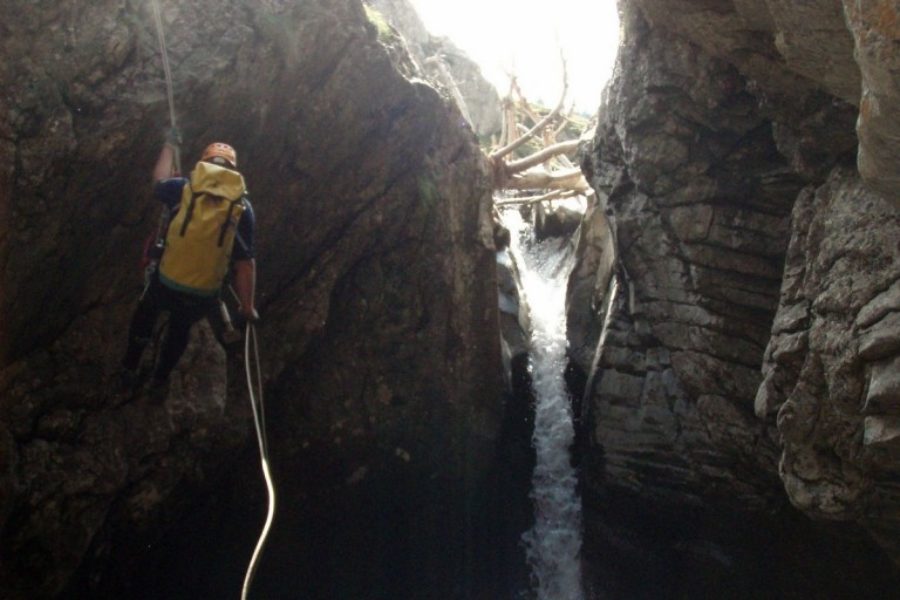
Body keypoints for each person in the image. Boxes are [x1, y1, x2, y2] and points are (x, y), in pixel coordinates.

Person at [120, 130, 258, 398]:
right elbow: (245, 264)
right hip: (202, 292)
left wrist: (169, 146)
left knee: (145, 315)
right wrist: (247, 307)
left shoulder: (182, 188)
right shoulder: (241, 207)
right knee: (180, 330)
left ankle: (129, 367)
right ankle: (159, 380)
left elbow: (158, 180)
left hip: (167, 280)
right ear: (233, 169)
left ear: (205, 162)